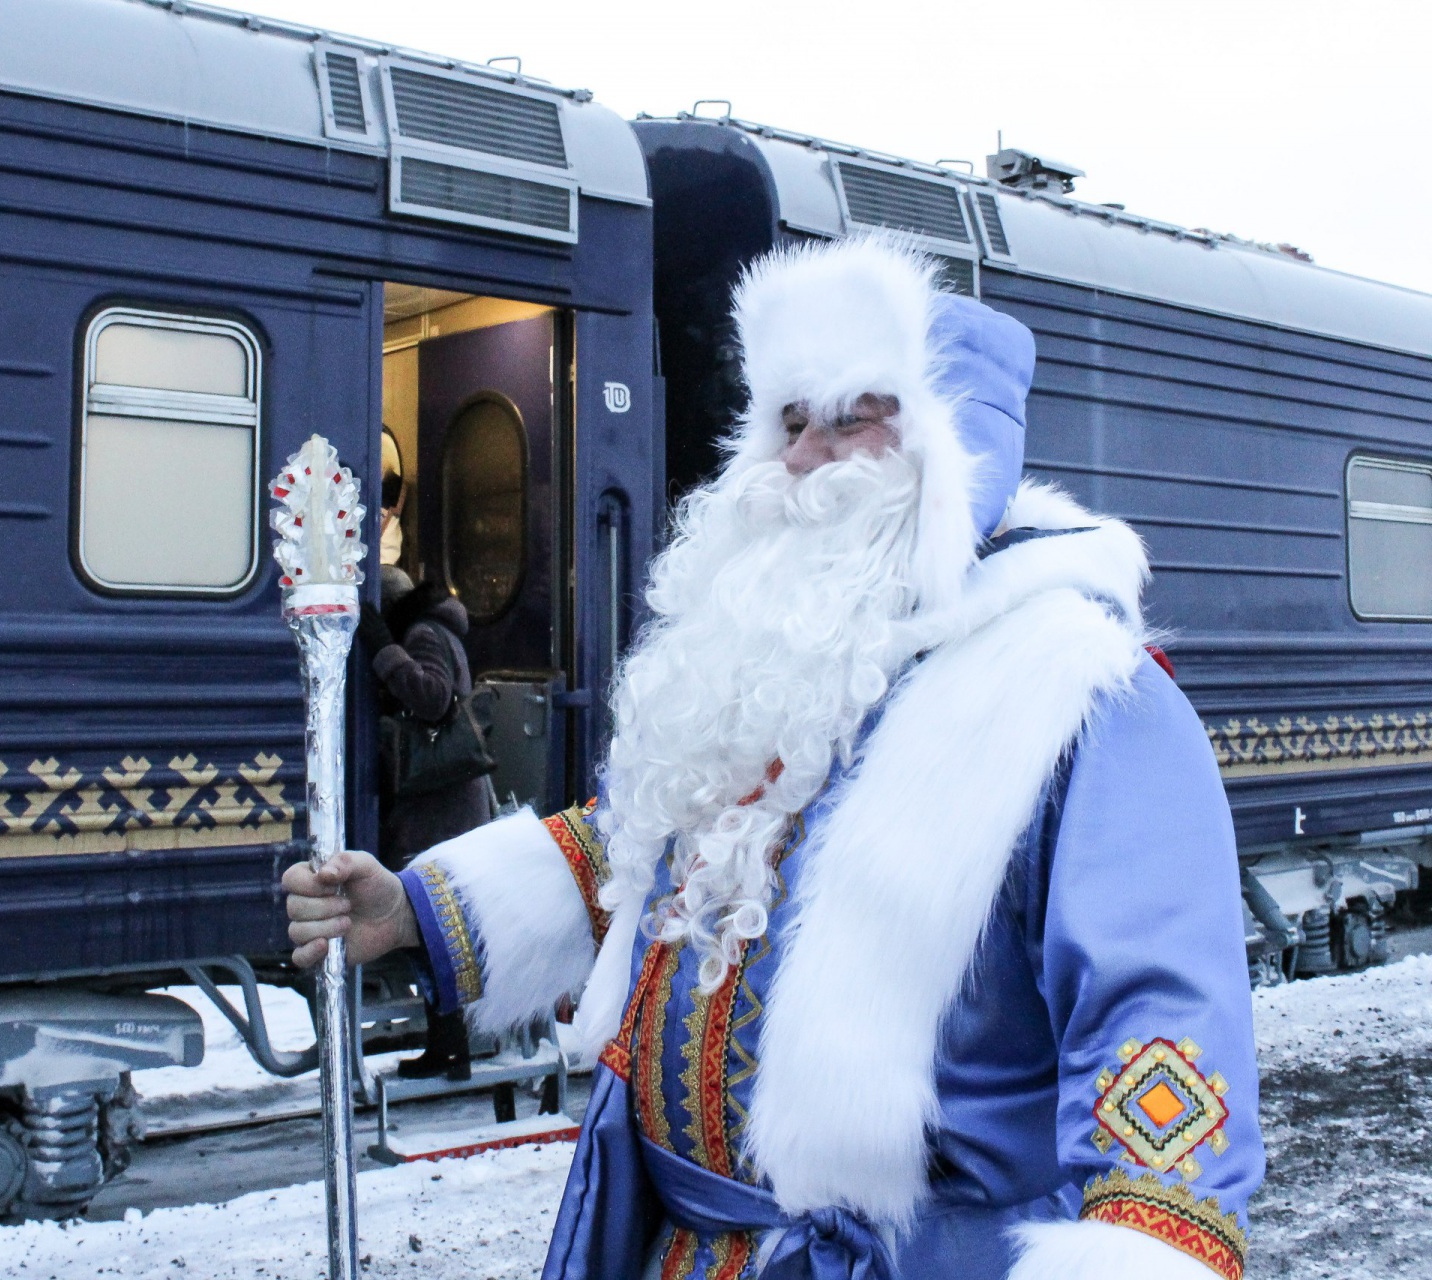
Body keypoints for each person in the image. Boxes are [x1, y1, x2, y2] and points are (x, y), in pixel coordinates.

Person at [285, 236, 1260, 1280]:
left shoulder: (1077, 698)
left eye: (855, 417)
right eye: (792, 422)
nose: (803, 459)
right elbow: (642, 849)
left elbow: (1162, 1056)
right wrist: (415, 910)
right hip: (675, 1245)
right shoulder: (783, 659)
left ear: (954, 452)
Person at [357, 569, 495, 1080]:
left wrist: (383, 651)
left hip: (440, 804)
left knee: (429, 923)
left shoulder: (420, 634)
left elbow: (434, 698)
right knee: (435, 922)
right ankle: (450, 1043)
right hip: (447, 800)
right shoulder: (439, 629)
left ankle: (451, 1044)